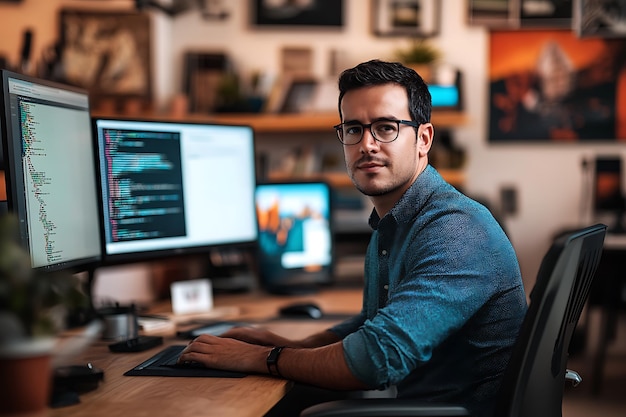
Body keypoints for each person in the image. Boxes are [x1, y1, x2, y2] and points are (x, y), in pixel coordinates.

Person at [178, 59, 528, 417]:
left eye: (386, 128)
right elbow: (372, 321)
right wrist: (294, 345)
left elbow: (377, 359)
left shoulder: (456, 229)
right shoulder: (394, 220)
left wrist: (260, 358)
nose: (367, 144)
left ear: (423, 139)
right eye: (353, 129)